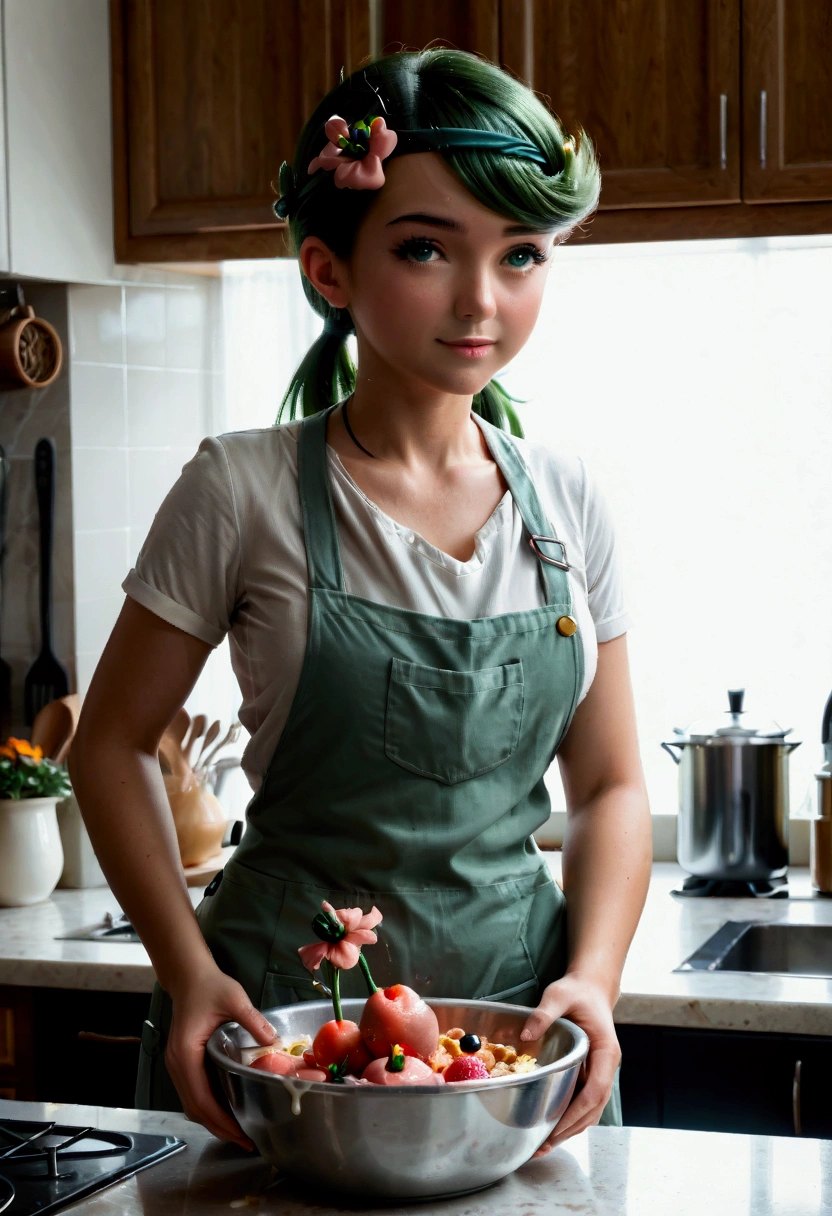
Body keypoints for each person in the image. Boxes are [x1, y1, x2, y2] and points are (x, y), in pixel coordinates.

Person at [69, 46, 652, 1154]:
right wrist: (188, 973)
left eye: (521, 254)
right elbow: (109, 744)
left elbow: (614, 782)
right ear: (328, 269)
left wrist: (593, 977)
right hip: (281, 1042)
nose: (482, 300)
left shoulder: (567, 503)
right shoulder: (237, 490)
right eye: (426, 248)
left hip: (517, 1050)